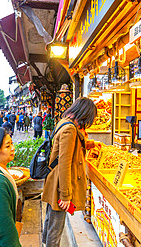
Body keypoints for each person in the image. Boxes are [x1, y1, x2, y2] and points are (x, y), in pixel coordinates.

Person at [42, 97, 97, 246]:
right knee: (56, 226)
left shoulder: (64, 121)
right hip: (60, 184)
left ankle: (44, 244)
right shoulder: (70, 129)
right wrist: (65, 195)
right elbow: (64, 164)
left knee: (50, 220)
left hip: (55, 180)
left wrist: (91, 144)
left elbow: (71, 148)